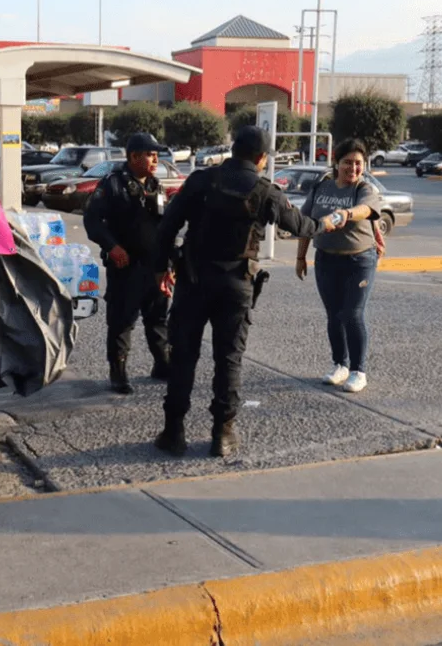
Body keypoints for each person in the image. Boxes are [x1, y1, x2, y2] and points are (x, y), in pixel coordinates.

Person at [152, 125, 342, 457]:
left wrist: (161, 267)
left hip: (193, 281)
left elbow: (168, 224)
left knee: (183, 356)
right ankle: (222, 434)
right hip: (236, 285)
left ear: (232, 149)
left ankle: (173, 431)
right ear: (262, 157)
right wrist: (328, 222)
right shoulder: (265, 190)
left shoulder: (201, 180)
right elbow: (300, 226)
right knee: (229, 359)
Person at [295, 138, 387, 394]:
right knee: (334, 314)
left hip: (359, 260)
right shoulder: (322, 187)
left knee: (352, 314)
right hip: (326, 258)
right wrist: (301, 257)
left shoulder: (364, 188)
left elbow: (366, 209)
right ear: (336, 163)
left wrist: (345, 214)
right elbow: (306, 222)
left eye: (359, 163)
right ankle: (340, 365)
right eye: (348, 162)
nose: (353, 168)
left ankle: (359, 370)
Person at [84, 132, 173, 394]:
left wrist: (169, 264)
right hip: (125, 266)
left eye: (157, 155)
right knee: (122, 321)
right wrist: (112, 247)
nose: (156, 159)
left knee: (157, 318)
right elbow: (91, 221)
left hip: (153, 267)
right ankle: (118, 372)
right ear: (134, 156)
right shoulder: (112, 185)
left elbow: (166, 228)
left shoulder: (156, 185)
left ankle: (162, 364)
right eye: (150, 154)